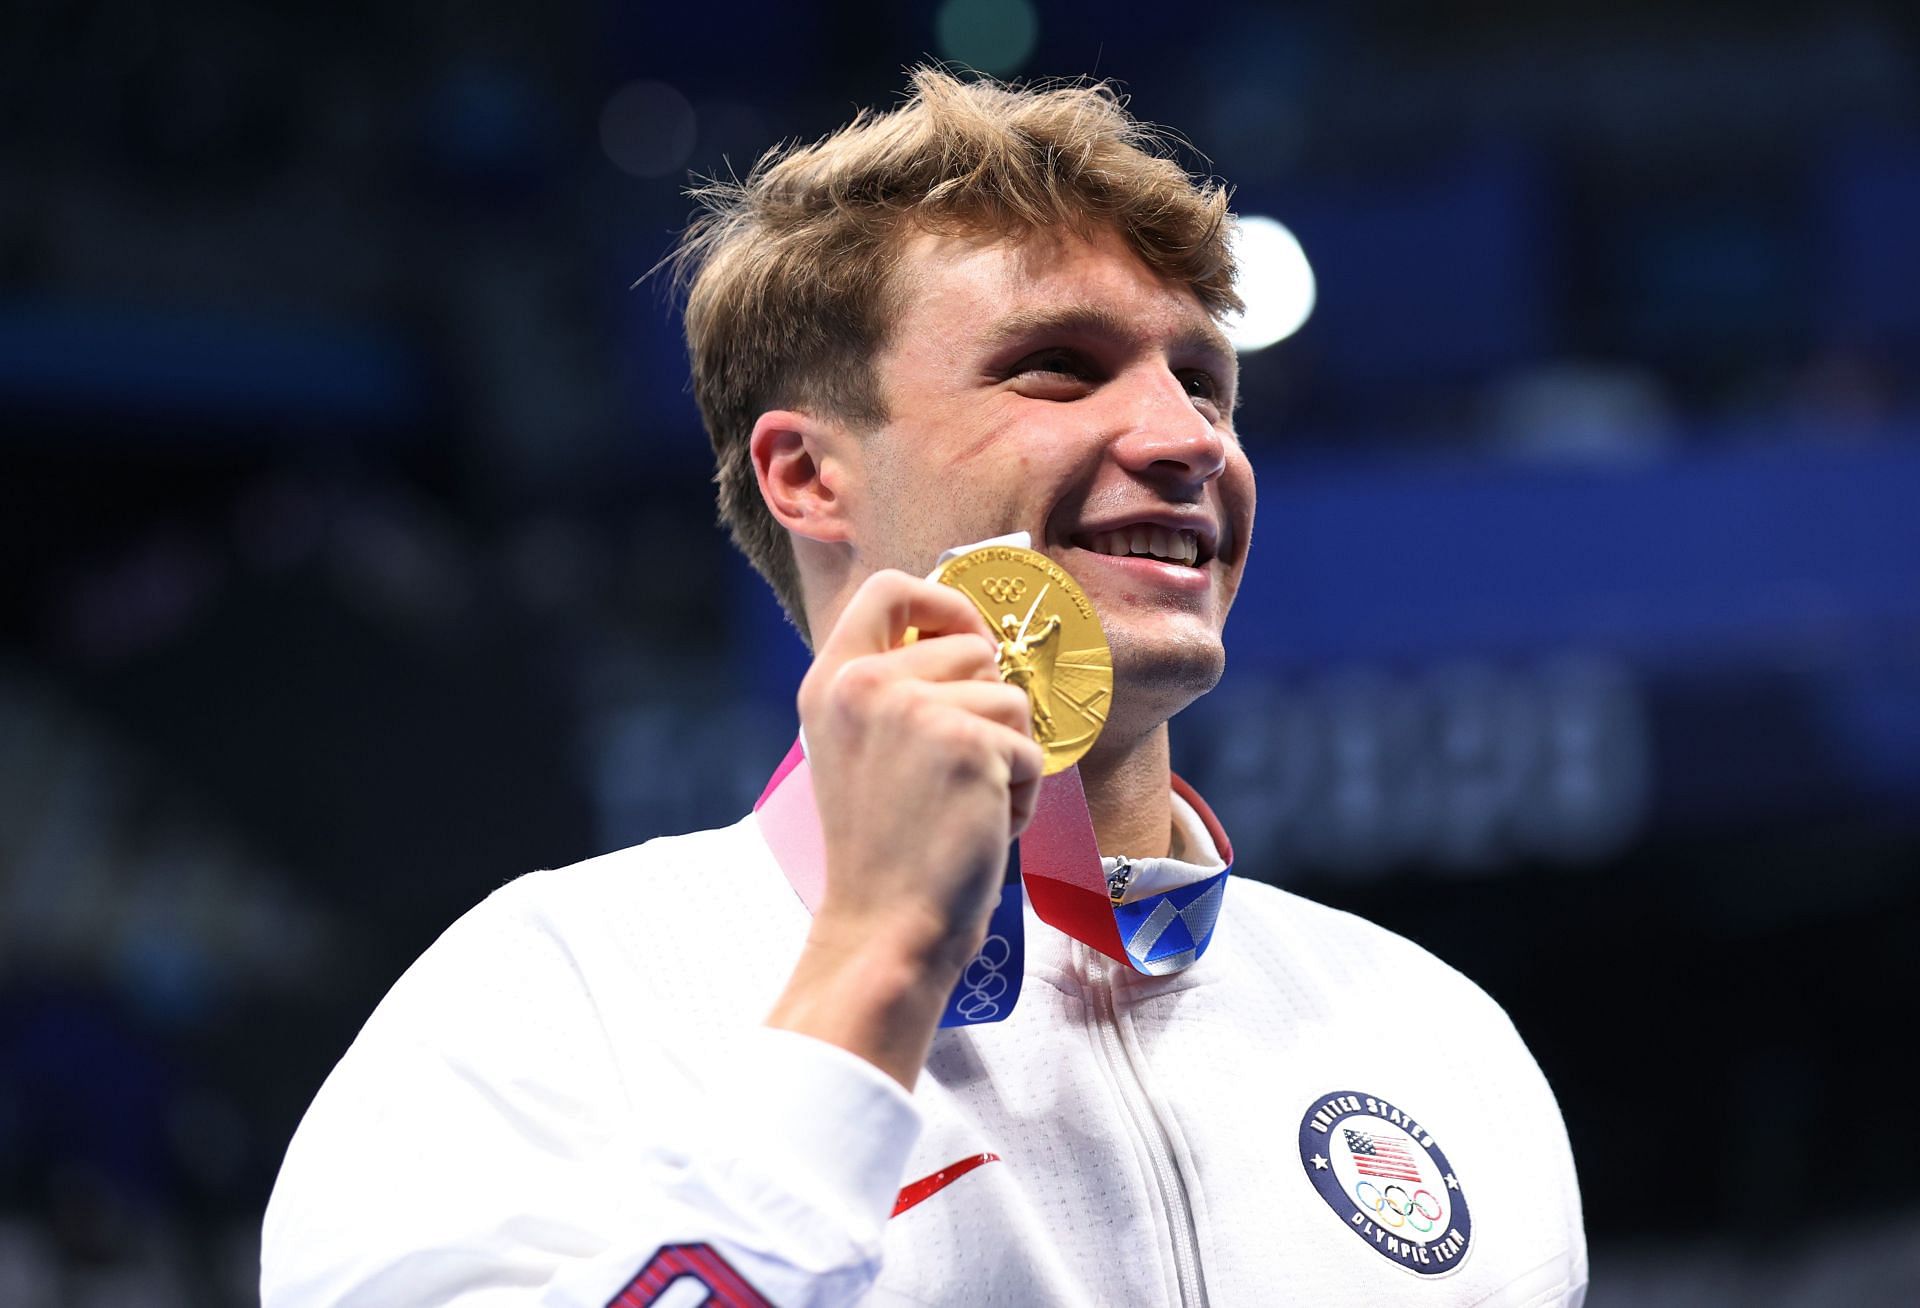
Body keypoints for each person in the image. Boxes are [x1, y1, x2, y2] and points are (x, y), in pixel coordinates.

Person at [262, 69, 1587, 1307]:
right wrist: (871, 971)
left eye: (1206, 383)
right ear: (808, 477)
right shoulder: (554, 1003)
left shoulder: (1433, 1039)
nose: (1188, 441)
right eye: (1057, 368)